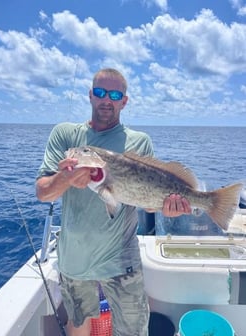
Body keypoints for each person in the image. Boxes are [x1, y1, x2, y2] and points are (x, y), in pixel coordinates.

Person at [36, 68, 191, 336]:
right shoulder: (65, 134)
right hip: (74, 259)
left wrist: (169, 207)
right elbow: (43, 193)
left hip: (122, 261)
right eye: (100, 92)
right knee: (79, 323)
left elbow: (150, 205)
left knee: (134, 330)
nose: (107, 99)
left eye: (115, 94)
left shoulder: (139, 142)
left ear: (124, 101)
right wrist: (65, 178)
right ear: (90, 96)